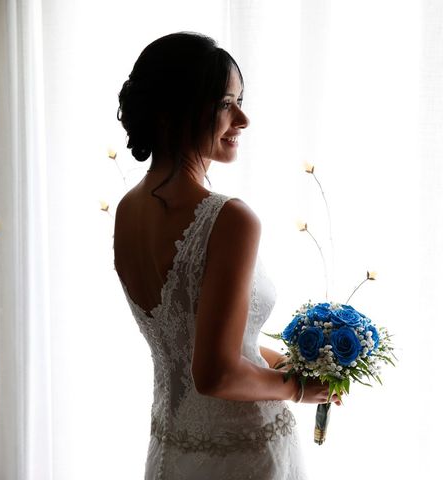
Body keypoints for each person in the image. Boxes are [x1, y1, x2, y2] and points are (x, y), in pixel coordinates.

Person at [114, 32, 337, 479]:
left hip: (172, 448)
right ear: (177, 110)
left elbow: (198, 345)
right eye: (225, 103)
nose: (243, 118)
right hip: (242, 453)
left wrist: (299, 364)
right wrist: (296, 388)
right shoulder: (230, 218)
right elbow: (215, 374)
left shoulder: (128, 209)